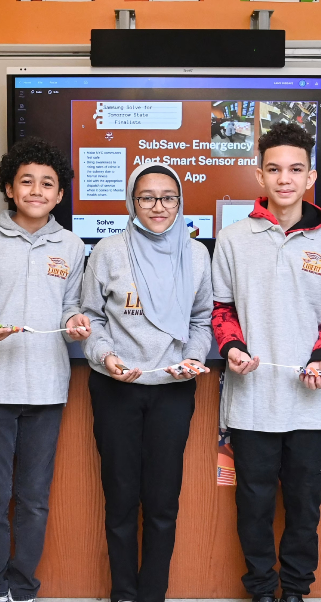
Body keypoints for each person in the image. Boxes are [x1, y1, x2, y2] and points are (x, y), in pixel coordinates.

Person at [211, 122, 321, 602]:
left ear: (310, 176)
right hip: (251, 401)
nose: (284, 178)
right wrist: (231, 347)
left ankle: (294, 591)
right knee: (252, 505)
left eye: (295, 169)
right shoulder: (232, 238)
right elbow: (221, 309)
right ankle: (259, 589)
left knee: (303, 507)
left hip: (310, 403)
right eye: (274, 169)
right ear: (259, 175)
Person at [0, 137, 91, 602]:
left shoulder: (71, 245)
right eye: (26, 181)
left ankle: (23, 588)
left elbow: (72, 307)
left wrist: (76, 323)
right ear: (9, 188)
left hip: (48, 390)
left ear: (60, 195)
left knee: (33, 500)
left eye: (47, 184)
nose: (36, 190)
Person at [80, 162, 213, 602]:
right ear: (131, 203)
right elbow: (91, 318)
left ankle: (152, 594)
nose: (158, 206)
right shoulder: (108, 250)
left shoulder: (195, 255)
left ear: (180, 203)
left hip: (172, 391)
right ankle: (123, 593)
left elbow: (200, 320)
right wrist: (106, 356)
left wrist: (193, 358)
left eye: (167, 197)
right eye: (147, 197)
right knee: (120, 501)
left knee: (162, 504)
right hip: (115, 388)